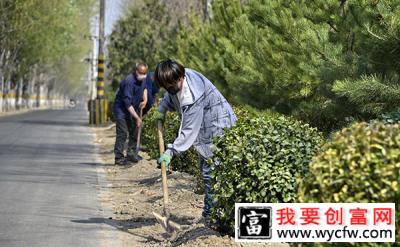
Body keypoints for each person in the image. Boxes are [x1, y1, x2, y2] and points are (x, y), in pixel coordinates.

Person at [154, 59, 237, 224]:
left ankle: (212, 217)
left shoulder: (192, 95)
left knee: (211, 174)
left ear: (180, 77)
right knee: (207, 171)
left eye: (170, 85)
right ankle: (211, 214)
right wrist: (162, 108)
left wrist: (170, 152)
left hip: (218, 129)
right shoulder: (180, 79)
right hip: (206, 131)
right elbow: (171, 96)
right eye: (165, 86)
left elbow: (188, 131)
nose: (168, 89)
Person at [113, 63, 148, 165]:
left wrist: (145, 100)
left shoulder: (144, 78)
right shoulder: (129, 81)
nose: (142, 75)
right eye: (140, 73)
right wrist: (137, 118)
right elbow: (127, 104)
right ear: (136, 71)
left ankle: (131, 154)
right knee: (122, 133)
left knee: (134, 131)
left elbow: (145, 88)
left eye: (144, 73)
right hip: (121, 109)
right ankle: (118, 158)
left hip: (132, 108)